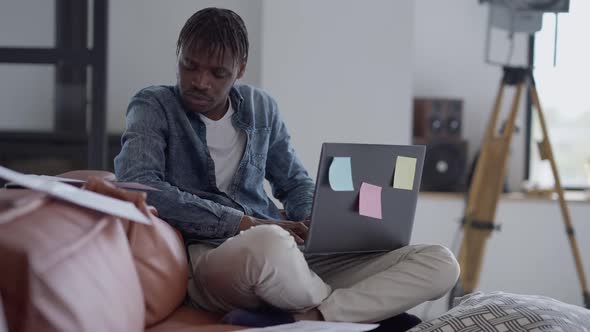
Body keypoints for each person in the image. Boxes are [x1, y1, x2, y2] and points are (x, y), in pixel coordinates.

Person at [115, 7, 460, 329]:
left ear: (241, 68)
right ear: (178, 54)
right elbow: (139, 184)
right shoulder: (154, 105)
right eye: (189, 66)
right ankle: (372, 316)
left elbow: (294, 182)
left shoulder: (261, 107)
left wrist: (321, 221)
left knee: (441, 262)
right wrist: (245, 223)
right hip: (217, 255)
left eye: (218, 72)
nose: (200, 81)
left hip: (294, 257)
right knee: (268, 242)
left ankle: (319, 315)